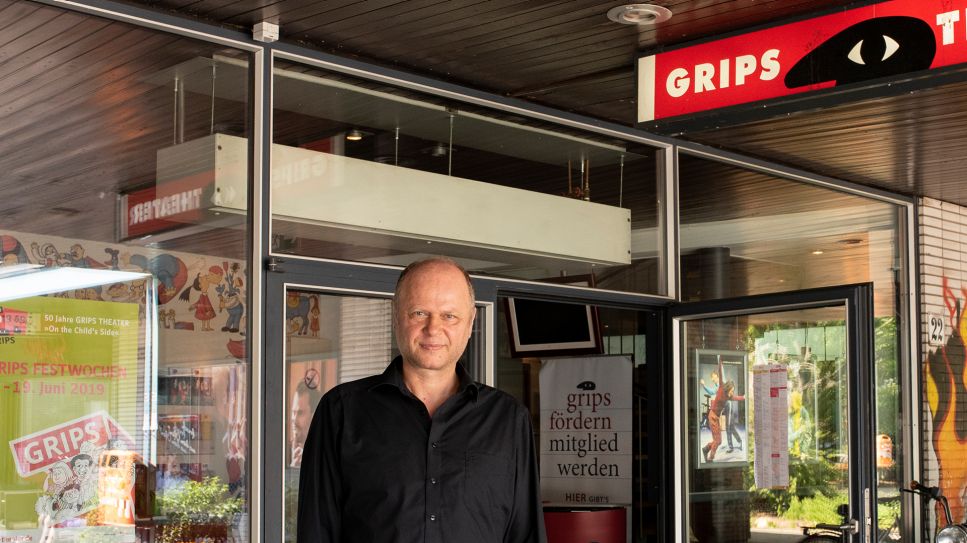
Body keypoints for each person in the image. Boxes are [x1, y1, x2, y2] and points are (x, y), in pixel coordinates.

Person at [297, 257, 546, 543]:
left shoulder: (508, 420)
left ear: (470, 322)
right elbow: (316, 531)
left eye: (449, 316)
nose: (433, 328)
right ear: (395, 316)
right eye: (418, 313)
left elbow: (526, 533)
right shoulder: (341, 411)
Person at [289, 379, 321, 467]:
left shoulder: (323, 454)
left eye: (300, 413)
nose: (294, 419)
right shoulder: (281, 452)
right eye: (293, 412)